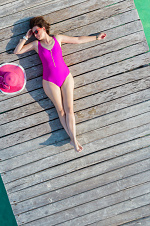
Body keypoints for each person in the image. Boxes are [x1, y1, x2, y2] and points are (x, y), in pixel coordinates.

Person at [13, 16, 107, 152]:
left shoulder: (57, 38)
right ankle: (74, 140)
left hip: (65, 77)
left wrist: (96, 37)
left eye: (36, 31)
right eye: (33, 33)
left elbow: (78, 40)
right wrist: (25, 37)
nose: (35, 34)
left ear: (43, 29)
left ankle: (73, 140)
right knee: (61, 111)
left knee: (69, 109)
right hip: (50, 81)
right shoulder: (36, 45)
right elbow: (17, 51)